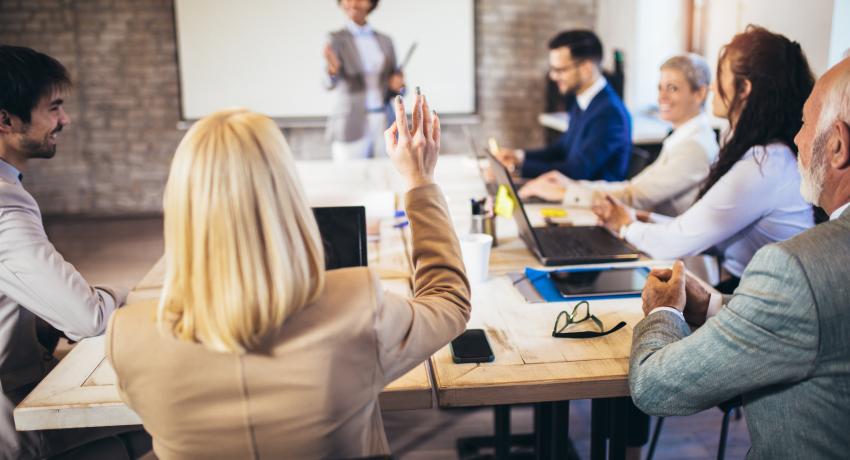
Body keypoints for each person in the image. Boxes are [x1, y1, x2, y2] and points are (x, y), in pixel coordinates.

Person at [106, 94, 470, 459]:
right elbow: (448, 301)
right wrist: (419, 182)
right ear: (288, 192)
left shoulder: (127, 336)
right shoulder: (358, 306)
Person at [630, 56, 850, 459]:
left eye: (804, 124)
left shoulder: (793, 267)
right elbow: (822, 318)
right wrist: (715, 304)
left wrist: (664, 312)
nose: (797, 139)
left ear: (838, 146)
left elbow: (654, 387)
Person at [0, 45, 149, 460]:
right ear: (6, 120)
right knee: (157, 416)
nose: (64, 120)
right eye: (54, 108)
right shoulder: (4, 203)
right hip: (11, 418)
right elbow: (88, 318)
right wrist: (121, 293)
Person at [594, 26, 815, 293]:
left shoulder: (765, 163)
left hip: (754, 296)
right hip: (742, 287)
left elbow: (678, 241)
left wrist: (626, 225)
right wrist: (641, 219)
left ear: (744, 87)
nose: (711, 86)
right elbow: (703, 226)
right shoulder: (760, 152)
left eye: (720, 74)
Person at [520, 54, 719, 217]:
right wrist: (573, 185)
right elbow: (633, 189)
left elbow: (635, 196)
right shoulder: (682, 136)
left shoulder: (694, 147)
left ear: (700, 93)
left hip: (675, 258)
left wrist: (565, 192)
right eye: (660, 87)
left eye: (672, 88)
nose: (661, 97)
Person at [494, 29, 632, 181]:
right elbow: (561, 149)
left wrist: (516, 168)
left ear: (586, 68)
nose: (553, 76)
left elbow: (578, 170)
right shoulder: (584, 101)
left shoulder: (610, 113)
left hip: (590, 200)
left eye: (560, 70)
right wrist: (519, 156)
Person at [324, 0, 405, 161]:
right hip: (350, 122)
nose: (353, 4)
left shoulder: (385, 41)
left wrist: (399, 86)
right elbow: (327, 83)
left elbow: (398, 85)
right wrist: (332, 70)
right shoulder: (336, 39)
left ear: (371, 3)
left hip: (384, 120)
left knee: (387, 177)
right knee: (349, 178)